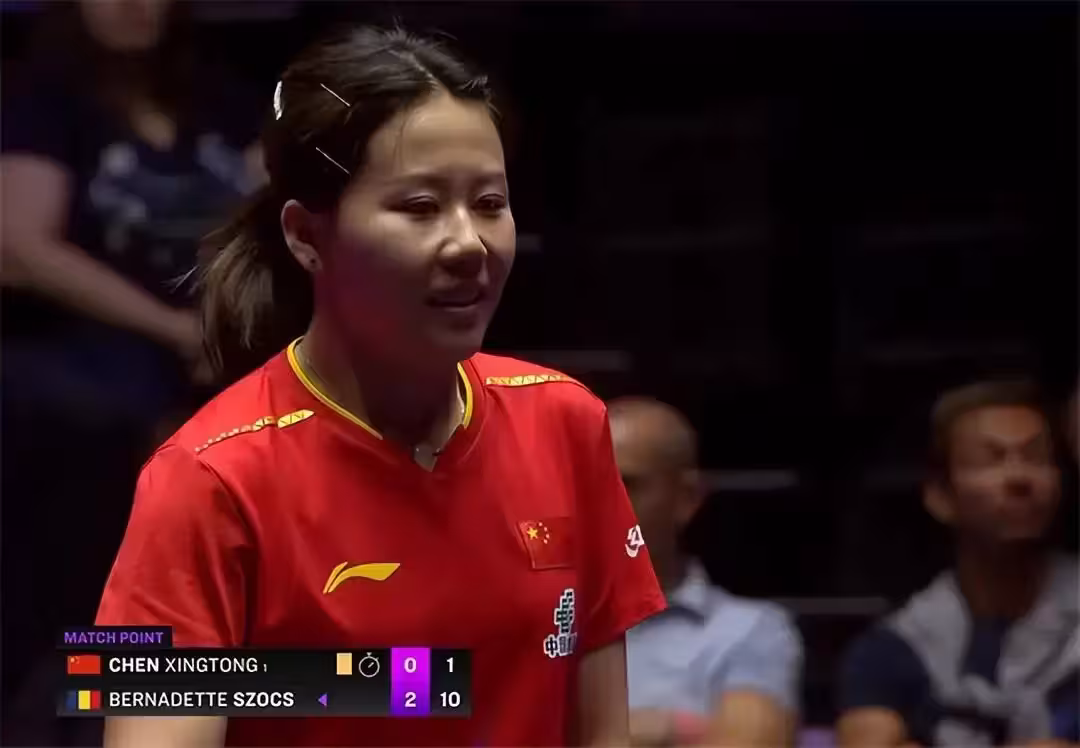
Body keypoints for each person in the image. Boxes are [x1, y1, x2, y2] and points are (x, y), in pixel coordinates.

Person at [96, 26, 666, 748]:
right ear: (306, 236)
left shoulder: (566, 420)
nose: (468, 243)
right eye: (420, 207)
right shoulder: (205, 477)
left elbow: (603, 735)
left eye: (489, 203)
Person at [0, 0, 261, 733]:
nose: (133, 3)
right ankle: (81, 698)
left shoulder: (222, 102)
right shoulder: (43, 106)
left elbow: (283, 218)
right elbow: (18, 251)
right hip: (87, 349)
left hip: (223, 341)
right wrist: (174, 329)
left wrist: (229, 326)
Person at [836, 381, 1079, 748]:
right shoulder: (894, 647)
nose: (1019, 477)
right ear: (940, 497)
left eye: (1037, 458)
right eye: (990, 459)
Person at [608, 397, 802, 747]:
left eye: (626, 484)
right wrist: (673, 730)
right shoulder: (512, 620)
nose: (597, 504)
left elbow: (749, 744)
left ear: (687, 497)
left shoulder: (750, 631)